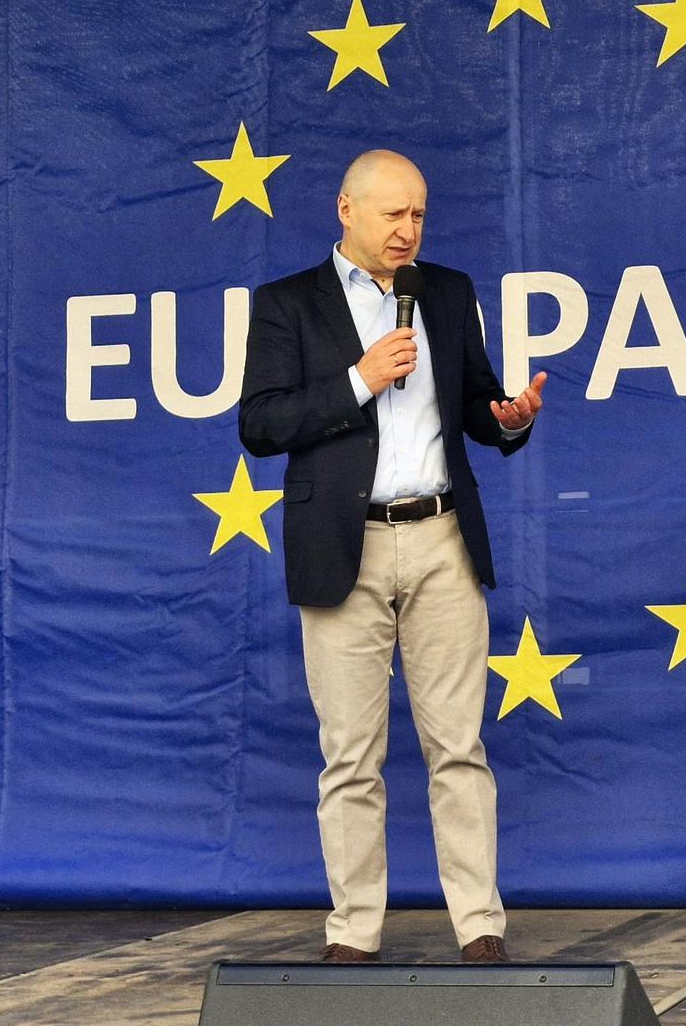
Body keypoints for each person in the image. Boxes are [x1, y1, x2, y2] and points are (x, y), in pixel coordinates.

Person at [239, 149, 547, 965]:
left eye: (418, 214)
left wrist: (509, 417)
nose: (408, 230)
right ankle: (353, 933)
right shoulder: (287, 304)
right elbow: (261, 425)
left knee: (460, 747)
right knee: (350, 756)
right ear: (346, 210)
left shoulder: (445, 291)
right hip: (344, 543)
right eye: (392, 214)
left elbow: (475, 404)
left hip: (442, 537)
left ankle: (479, 927)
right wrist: (358, 380)